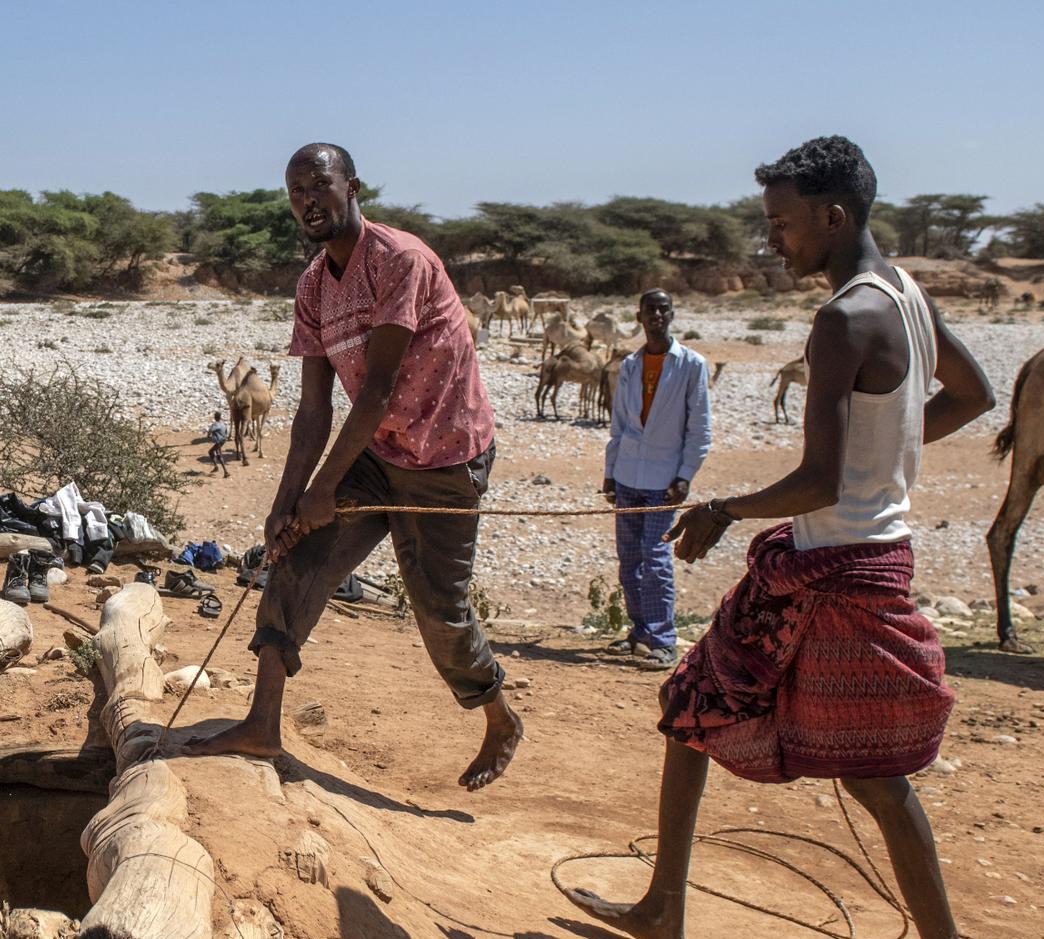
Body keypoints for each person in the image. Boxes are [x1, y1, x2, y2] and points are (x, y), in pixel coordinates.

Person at [561, 136, 996, 939]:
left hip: (841, 568)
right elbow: (975, 392)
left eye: (784, 225)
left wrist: (721, 506)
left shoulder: (843, 319)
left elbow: (825, 481)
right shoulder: (906, 295)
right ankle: (661, 910)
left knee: (880, 780)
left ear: (833, 218)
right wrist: (897, 458)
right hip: (847, 558)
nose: (775, 243)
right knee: (691, 704)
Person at [196, 143, 522, 792]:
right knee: (296, 556)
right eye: (295, 191)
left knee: (438, 609)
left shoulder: (400, 260)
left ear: (353, 187)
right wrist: (286, 503)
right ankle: (262, 724)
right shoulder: (315, 285)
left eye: (318, 185)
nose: (306, 201)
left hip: (445, 455)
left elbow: (374, 389)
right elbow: (314, 408)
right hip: (375, 452)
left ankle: (498, 714)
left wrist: (321, 490)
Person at [600, 289, 712, 669]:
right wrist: (610, 473)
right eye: (651, 309)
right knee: (629, 558)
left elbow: (699, 429)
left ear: (672, 314)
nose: (657, 315)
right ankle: (639, 632)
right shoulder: (630, 365)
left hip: (664, 480)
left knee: (656, 557)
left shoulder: (691, 365)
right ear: (639, 316)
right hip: (628, 474)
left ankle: (663, 639)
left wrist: (685, 476)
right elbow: (618, 426)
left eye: (664, 309)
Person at [207, 410, 230, 476]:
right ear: (220, 417)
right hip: (223, 440)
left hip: (218, 441)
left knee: (217, 455)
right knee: (214, 452)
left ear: (215, 417)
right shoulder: (223, 424)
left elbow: (210, 430)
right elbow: (226, 432)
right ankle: (216, 467)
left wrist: (208, 435)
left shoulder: (215, 424)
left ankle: (225, 471)